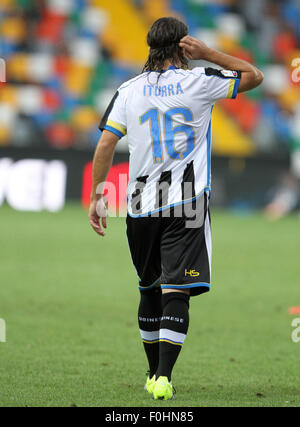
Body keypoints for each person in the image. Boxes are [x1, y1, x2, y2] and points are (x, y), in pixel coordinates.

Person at [89, 17, 264, 400]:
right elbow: (253, 75)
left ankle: (153, 373)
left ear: (149, 45)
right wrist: (209, 53)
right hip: (186, 202)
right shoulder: (200, 81)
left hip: (139, 205)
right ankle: (164, 377)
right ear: (183, 44)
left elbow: (104, 146)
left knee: (148, 288)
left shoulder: (128, 90)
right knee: (177, 290)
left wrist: (97, 196)